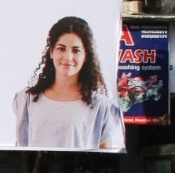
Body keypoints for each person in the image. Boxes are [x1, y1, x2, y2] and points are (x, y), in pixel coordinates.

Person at [13, 16, 125, 150]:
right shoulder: (27, 99)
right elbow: (19, 150)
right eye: (61, 48)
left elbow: (105, 159)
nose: (68, 57)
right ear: (51, 52)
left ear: (85, 56)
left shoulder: (101, 106)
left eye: (76, 50)